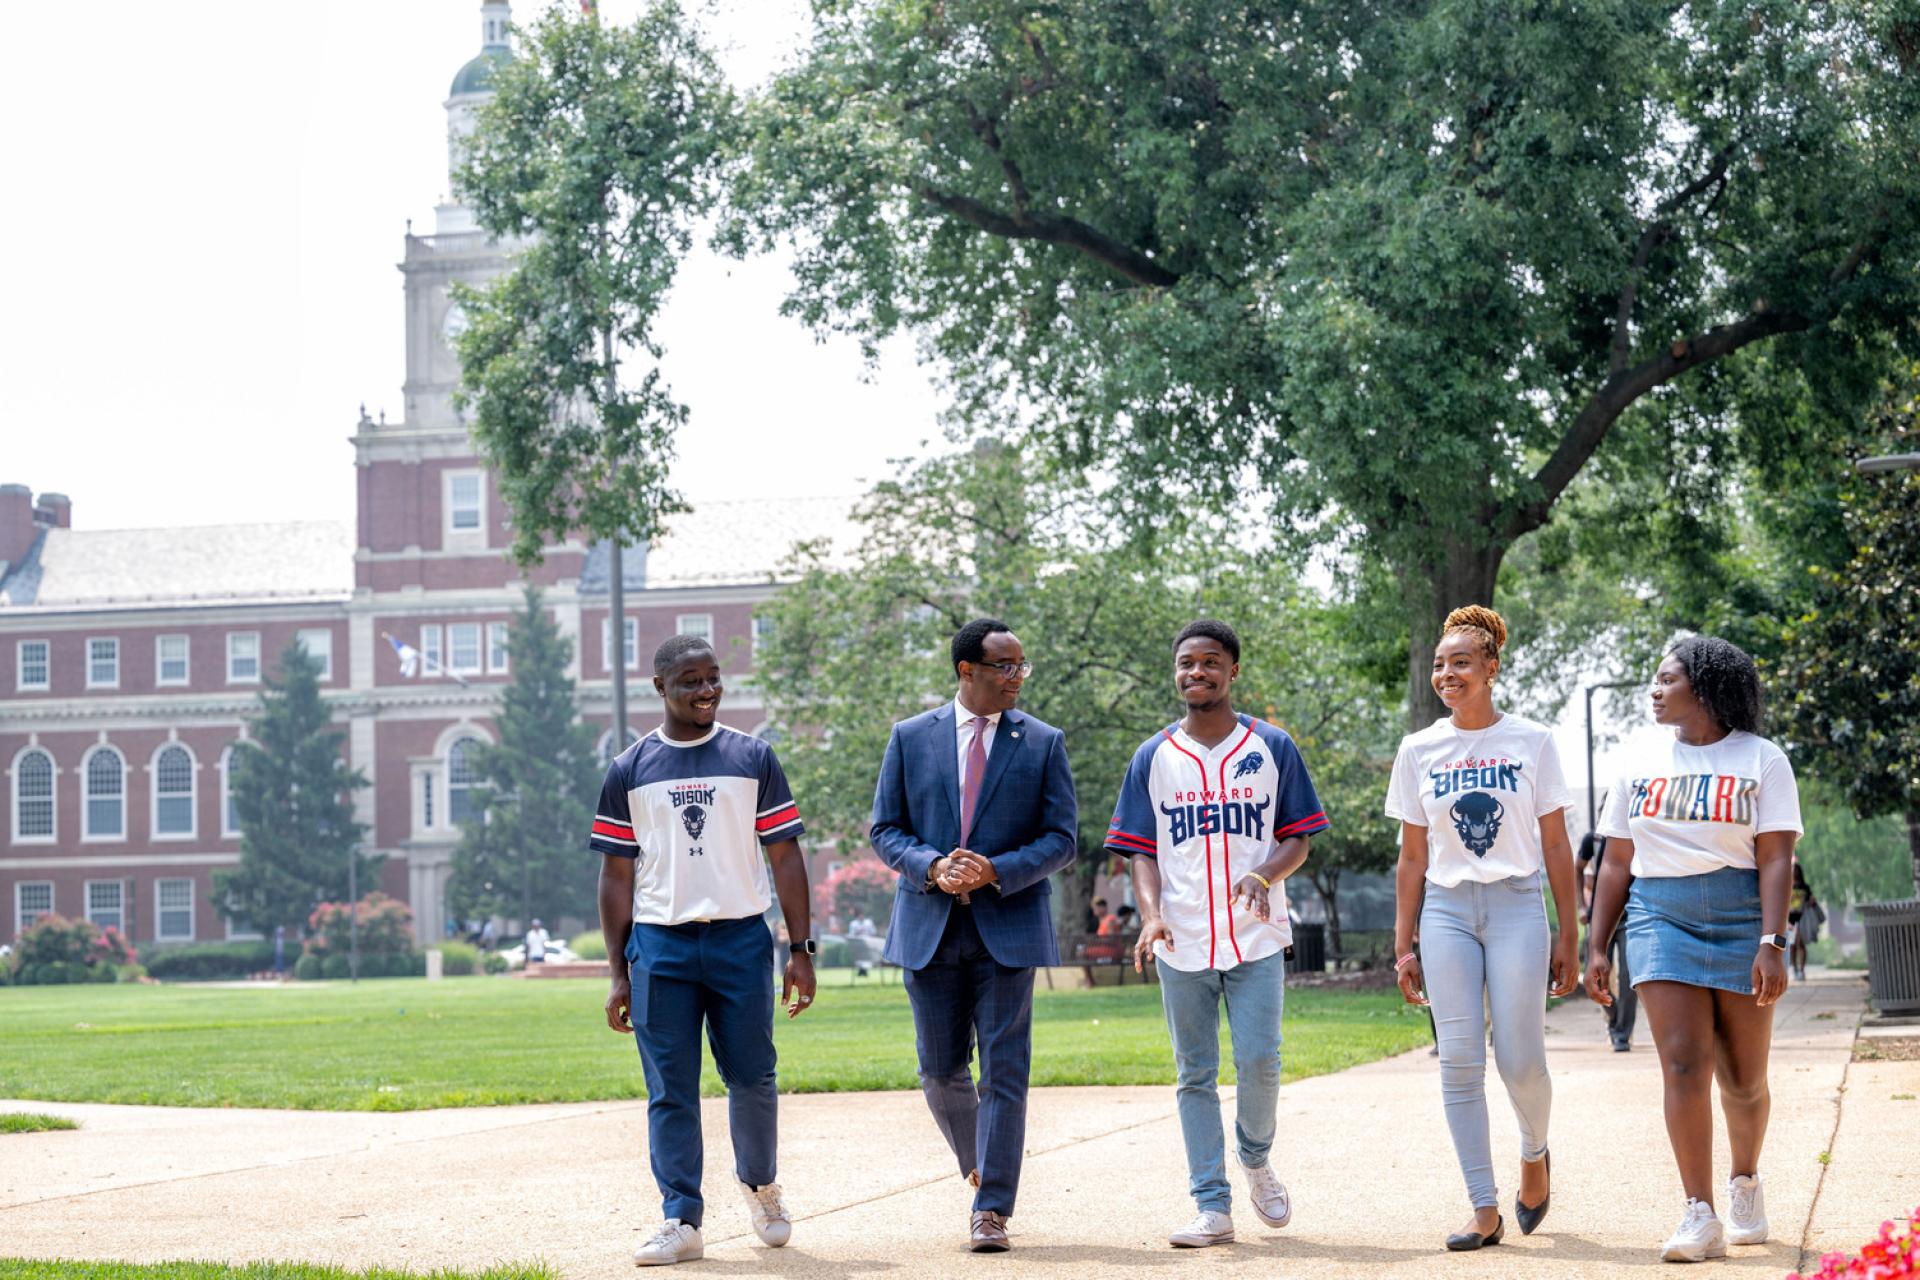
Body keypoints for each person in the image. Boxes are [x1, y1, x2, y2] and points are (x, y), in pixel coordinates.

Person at [591, 634, 819, 1267]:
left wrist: (800, 949)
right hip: (659, 946)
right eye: (690, 680)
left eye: (714, 677)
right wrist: (618, 973)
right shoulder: (629, 769)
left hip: (740, 940)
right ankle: (680, 1218)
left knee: (753, 1076)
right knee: (670, 1088)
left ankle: (761, 1189)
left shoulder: (753, 757)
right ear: (660, 688)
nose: (706, 690)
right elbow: (615, 875)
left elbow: (785, 855)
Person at [1106, 619, 1329, 1249]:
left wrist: (1263, 872)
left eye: (1209, 662)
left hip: (1255, 935)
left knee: (1260, 1061)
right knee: (1193, 1073)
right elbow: (1139, 850)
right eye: (1185, 663)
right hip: (1182, 941)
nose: (1195, 673)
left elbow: (1298, 837)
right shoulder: (1153, 756)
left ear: (1233, 671)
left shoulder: (1272, 746)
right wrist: (1150, 915)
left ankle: (1255, 1158)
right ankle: (1211, 1204)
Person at [1586, 635, 1800, 1263]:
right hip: (1660, 916)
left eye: (1666, 679)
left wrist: (1772, 940)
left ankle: (1744, 1181)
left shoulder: (1762, 759)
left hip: (1742, 917)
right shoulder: (1637, 760)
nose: (1654, 690)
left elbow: (1777, 855)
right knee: (1683, 1063)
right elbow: (1617, 858)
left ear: (1704, 687)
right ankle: (1698, 1211)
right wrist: (1596, 946)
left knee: (1743, 1078)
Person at [869, 617, 1078, 1252]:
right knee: (938, 1070)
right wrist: (932, 865)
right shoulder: (910, 738)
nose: (1018, 677)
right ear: (968, 672)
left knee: (1006, 1072)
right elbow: (885, 829)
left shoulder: (1042, 742)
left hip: (1008, 926)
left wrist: (997, 870)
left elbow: (1062, 839)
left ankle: (991, 1211)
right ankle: (979, 1161)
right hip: (928, 925)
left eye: (1022, 667)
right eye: (1005, 667)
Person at [1388, 606, 1580, 1252]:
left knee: (1520, 1060)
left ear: (1492, 666)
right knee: (1460, 1062)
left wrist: (1569, 934)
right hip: (1444, 910)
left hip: (1517, 904)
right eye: (1440, 664)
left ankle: (1535, 1150)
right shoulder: (1419, 750)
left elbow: (1557, 846)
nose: (1447, 674)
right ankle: (1483, 1207)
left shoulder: (1532, 742)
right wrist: (1402, 943)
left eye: (1462, 662)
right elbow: (1412, 856)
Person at [1577, 818, 1637, 1052]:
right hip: (1601, 916)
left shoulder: (1636, 836)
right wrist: (1581, 906)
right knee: (1596, 976)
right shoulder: (1592, 839)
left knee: (1629, 976)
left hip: (1631, 915)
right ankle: (1614, 1016)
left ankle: (1622, 1033)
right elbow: (1577, 868)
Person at [1789, 863, 1822, 982]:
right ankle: (1794, 969)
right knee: (1792, 946)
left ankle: (1801, 970)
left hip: (1802, 919)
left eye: (1796, 870)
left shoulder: (1805, 887)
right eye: (1793, 870)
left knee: (1800, 944)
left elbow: (1810, 901)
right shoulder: (1786, 885)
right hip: (1789, 920)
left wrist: (1811, 902)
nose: (1794, 872)